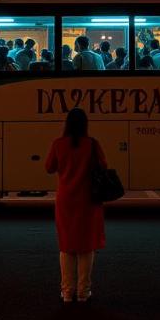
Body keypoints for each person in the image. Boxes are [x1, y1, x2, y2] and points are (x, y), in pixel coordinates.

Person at [44, 108, 107, 303]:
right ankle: (83, 291)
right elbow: (103, 166)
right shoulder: (92, 144)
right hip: (88, 201)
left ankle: (67, 291)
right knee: (86, 246)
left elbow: (49, 167)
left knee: (67, 245)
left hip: (65, 201)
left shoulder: (58, 144)